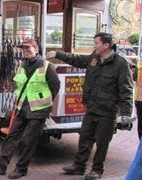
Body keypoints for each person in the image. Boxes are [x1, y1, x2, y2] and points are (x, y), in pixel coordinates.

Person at [47, 32, 134, 180]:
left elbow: (126, 89)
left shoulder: (120, 63)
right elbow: (77, 59)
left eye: (96, 43)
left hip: (107, 111)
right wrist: (58, 54)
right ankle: (79, 166)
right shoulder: (95, 57)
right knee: (85, 138)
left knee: (102, 142)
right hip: (92, 107)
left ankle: (97, 170)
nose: (94, 46)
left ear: (106, 45)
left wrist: (126, 112)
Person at [0, 39, 60, 179]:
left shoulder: (47, 66)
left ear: (36, 49)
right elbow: (19, 86)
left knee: (27, 141)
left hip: (38, 111)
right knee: (11, 137)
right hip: (22, 109)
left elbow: (55, 86)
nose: (25, 50)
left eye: (28, 48)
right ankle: (1, 164)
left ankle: (21, 169)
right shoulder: (22, 65)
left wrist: (46, 103)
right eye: (23, 48)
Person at [133, 60, 142, 139]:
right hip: (139, 99)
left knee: (141, 124)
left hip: (139, 100)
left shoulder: (139, 65)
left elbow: (134, 77)